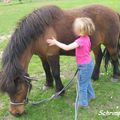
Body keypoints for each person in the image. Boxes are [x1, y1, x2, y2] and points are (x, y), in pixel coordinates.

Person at [47, 17, 95, 108]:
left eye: (75, 28)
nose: (73, 29)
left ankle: (83, 103)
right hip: (88, 64)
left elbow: (66, 47)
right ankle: (91, 95)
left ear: (81, 31)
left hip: (84, 66)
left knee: (81, 85)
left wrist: (55, 42)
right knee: (86, 81)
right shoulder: (87, 38)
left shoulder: (79, 41)